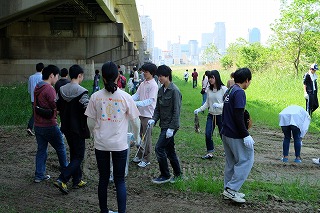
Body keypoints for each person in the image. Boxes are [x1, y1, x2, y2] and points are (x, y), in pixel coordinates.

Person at [85, 61, 140, 213]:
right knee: (120, 180)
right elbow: (135, 122)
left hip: (101, 144)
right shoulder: (125, 97)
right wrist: (137, 138)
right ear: (118, 77)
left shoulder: (95, 97)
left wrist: (93, 135)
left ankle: (104, 210)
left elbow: (89, 122)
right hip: (120, 144)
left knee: (103, 179)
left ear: (102, 77)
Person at [54, 65, 90, 194]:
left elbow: (56, 105)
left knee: (74, 153)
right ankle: (62, 179)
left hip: (66, 127)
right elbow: (87, 109)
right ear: (80, 75)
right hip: (78, 129)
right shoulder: (83, 91)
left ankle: (77, 180)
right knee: (79, 155)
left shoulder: (61, 89)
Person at [221, 67, 254, 203]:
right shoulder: (239, 92)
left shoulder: (230, 90)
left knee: (231, 162)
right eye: (249, 81)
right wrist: (245, 134)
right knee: (247, 159)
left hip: (225, 132)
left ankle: (227, 190)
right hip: (235, 133)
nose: (249, 83)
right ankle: (232, 189)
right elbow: (238, 115)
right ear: (246, 80)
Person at [148, 65, 182, 184]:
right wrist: (153, 119)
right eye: (158, 76)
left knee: (159, 148)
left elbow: (176, 112)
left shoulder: (175, 91)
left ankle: (165, 174)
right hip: (164, 125)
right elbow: (158, 108)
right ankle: (178, 174)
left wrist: (171, 129)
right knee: (170, 150)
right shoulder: (161, 90)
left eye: (161, 76)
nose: (159, 78)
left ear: (167, 76)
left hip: (170, 126)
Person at [33, 65, 68, 183]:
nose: (57, 78)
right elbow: (55, 105)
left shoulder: (38, 87)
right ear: (51, 75)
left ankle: (39, 175)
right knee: (61, 147)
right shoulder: (49, 89)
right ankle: (66, 173)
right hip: (49, 125)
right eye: (56, 76)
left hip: (38, 124)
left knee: (41, 149)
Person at [194, 70, 228, 159]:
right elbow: (207, 103)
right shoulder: (209, 89)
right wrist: (199, 109)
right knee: (208, 133)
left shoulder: (224, 89)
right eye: (209, 78)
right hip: (211, 115)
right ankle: (210, 152)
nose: (210, 79)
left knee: (223, 135)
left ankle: (228, 151)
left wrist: (219, 105)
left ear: (216, 77)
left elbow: (228, 103)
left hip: (221, 115)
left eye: (212, 77)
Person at [131, 62, 158, 168]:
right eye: (143, 71)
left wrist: (136, 103)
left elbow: (150, 101)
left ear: (151, 73)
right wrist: (128, 99)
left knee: (146, 138)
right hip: (140, 113)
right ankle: (140, 154)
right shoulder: (142, 84)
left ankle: (146, 159)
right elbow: (137, 95)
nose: (143, 74)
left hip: (148, 115)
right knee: (140, 135)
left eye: (146, 72)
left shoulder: (153, 85)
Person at [27, 62, 44, 136]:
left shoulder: (31, 77)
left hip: (33, 98)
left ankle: (32, 128)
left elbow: (29, 89)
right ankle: (30, 127)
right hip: (40, 99)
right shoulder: (43, 77)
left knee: (35, 113)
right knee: (39, 113)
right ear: (42, 69)